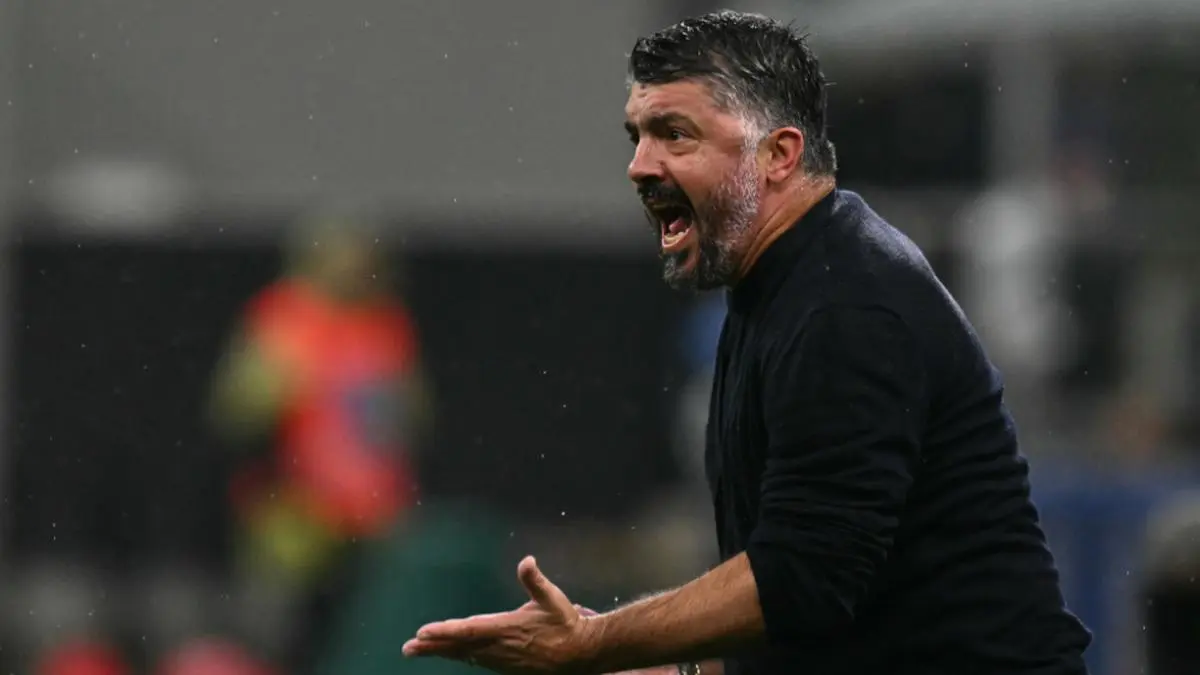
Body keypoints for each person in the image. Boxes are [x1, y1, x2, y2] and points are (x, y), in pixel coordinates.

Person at [402, 11, 1092, 675]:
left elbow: (804, 577)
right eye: (638, 136)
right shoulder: (778, 287)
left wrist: (596, 643)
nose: (639, 165)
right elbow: (816, 615)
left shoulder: (845, 305)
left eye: (675, 135)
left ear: (778, 155)